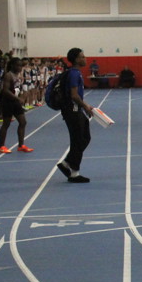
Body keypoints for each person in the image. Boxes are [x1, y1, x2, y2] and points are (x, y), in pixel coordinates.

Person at [57, 48, 94, 183]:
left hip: (76, 110)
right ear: (76, 59)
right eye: (82, 57)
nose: (85, 58)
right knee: (77, 141)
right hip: (72, 111)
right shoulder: (73, 74)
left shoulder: (76, 73)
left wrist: (84, 106)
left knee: (85, 138)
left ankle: (67, 163)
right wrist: (85, 106)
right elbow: (74, 95)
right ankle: (74, 173)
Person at [0, 57, 32, 154]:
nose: (20, 67)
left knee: (23, 122)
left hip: (15, 102)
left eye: (21, 66)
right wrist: (18, 98)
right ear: (12, 66)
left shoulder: (17, 75)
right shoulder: (8, 75)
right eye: (18, 65)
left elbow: (16, 88)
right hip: (7, 102)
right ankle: (1, 146)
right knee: (6, 124)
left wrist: (22, 95)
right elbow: (5, 90)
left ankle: (21, 145)